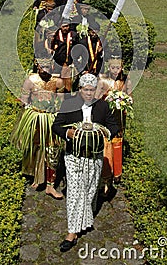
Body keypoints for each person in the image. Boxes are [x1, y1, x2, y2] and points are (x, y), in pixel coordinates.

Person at [52, 73, 119, 252]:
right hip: (74, 156)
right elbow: (56, 125)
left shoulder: (103, 106)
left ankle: (86, 217)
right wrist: (68, 134)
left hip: (94, 156)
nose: (89, 93)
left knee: (89, 190)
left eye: (92, 90)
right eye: (86, 90)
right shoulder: (69, 104)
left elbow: (114, 127)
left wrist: (104, 133)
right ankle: (72, 232)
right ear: (80, 89)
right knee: (74, 192)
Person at [12, 57, 65, 199]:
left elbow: (61, 102)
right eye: (42, 67)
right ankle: (36, 176)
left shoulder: (57, 82)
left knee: (52, 150)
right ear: (37, 66)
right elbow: (24, 100)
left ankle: (50, 185)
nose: (45, 70)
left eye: (48, 67)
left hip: (51, 119)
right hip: (35, 119)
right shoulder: (31, 80)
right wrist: (27, 112)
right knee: (35, 147)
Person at [96, 56, 133, 193]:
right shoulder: (103, 81)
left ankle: (117, 173)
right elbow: (96, 98)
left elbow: (129, 95)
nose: (116, 71)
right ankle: (105, 177)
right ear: (109, 68)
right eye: (113, 68)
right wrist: (106, 97)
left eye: (118, 68)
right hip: (106, 117)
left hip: (119, 117)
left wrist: (126, 101)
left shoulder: (124, 82)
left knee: (117, 143)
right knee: (106, 145)